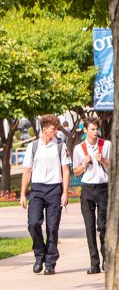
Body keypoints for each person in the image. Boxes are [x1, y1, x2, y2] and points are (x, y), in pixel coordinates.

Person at [20, 115, 71, 275]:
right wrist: (22, 194)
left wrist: (65, 192)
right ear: (44, 129)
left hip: (54, 189)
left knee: (52, 227)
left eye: (56, 128)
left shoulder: (60, 146)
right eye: (53, 129)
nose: (56, 131)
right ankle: (39, 255)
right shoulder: (33, 146)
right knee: (33, 223)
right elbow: (27, 170)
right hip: (37, 189)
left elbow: (65, 170)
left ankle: (50, 262)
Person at [72, 118, 112, 274]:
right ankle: (94, 263)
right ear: (85, 131)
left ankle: (106, 260)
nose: (95, 132)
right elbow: (76, 171)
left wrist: (103, 160)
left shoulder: (106, 145)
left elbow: (113, 166)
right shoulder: (79, 149)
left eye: (97, 129)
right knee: (89, 228)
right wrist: (84, 164)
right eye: (92, 129)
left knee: (103, 226)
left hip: (103, 188)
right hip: (87, 189)